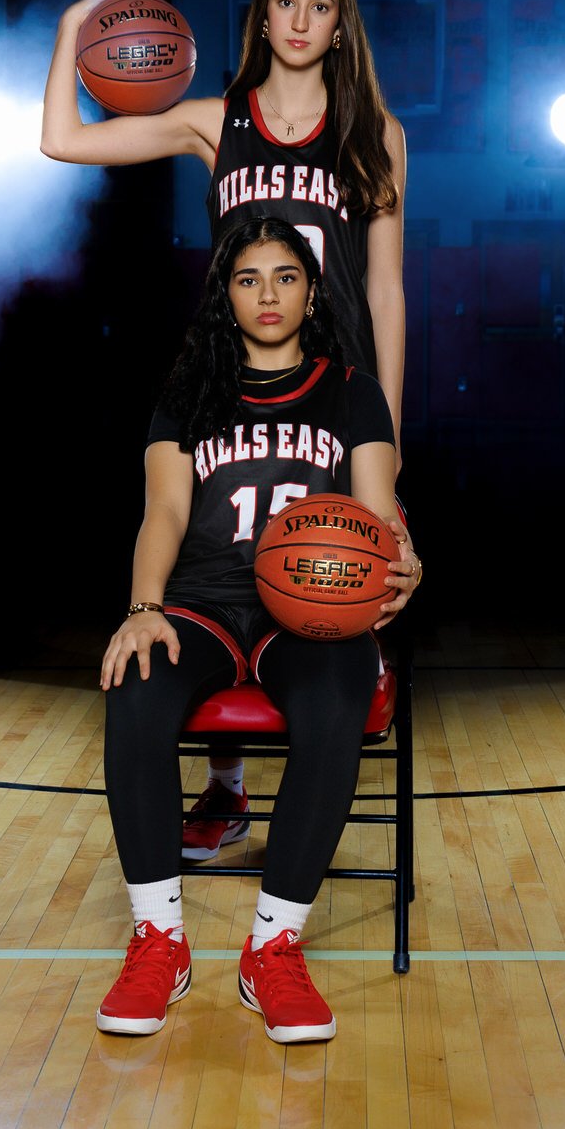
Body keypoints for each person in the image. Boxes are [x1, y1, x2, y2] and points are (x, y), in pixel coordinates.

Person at [41, 0, 407, 859]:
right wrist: (67, 32)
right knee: (214, 561)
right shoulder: (215, 121)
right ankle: (226, 780)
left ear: (338, 26)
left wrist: (389, 443)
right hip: (227, 380)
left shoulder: (376, 135)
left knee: (324, 572)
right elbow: (64, 140)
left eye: (319, 7)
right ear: (262, 18)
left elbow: (388, 288)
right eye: (283, 2)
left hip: (333, 396)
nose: (297, 20)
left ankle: (314, 712)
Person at [95, 217, 419, 1044]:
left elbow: (378, 511)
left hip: (306, 604)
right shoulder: (189, 388)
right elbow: (164, 509)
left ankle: (272, 947)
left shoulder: (351, 390)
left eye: (284, 277)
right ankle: (158, 942)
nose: (267, 294)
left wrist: (402, 559)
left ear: (312, 292)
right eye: (248, 279)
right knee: (134, 688)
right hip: (202, 597)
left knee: (338, 697)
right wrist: (142, 609)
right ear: (225, 294)